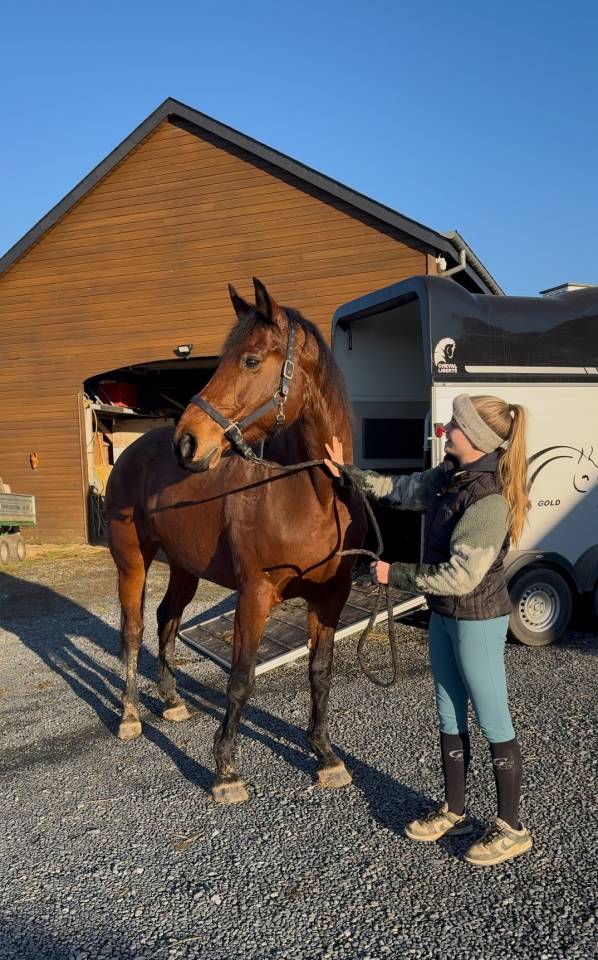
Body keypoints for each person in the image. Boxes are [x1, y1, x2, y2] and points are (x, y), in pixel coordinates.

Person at [324, 394, 532, 866]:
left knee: (493, 719)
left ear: (475, 440)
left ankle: (511, 827)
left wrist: (392, 574)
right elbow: (400, 490)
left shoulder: (489, 497)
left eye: (454, 427)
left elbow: (464, 576)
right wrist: (347, 473)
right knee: (448, 714)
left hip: (477, 617)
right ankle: (454, 809)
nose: (445, 431)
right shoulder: (449, 476)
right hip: (445, 613)